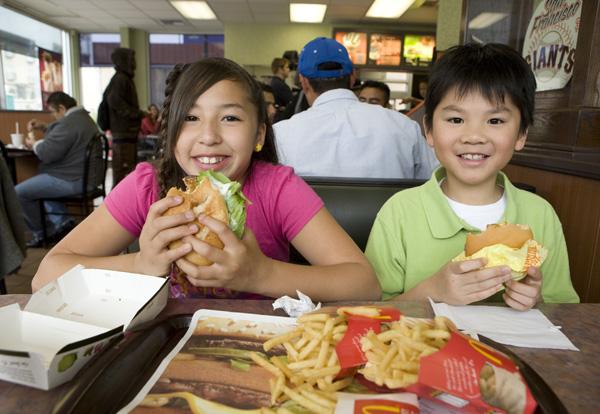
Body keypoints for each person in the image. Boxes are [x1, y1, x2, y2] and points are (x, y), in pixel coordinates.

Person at [33, 58, 380, 302]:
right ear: (170, 134)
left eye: (229, 117)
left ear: (259, 134)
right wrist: (140, 264)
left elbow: (364, 284)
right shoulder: (147, 187)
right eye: (191, 118)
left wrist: (261, 275)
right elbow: (45, 275)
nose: (209, 136)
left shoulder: (278, 188)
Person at [365, 43, 579, 309]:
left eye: (495, 121)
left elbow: (566, 310)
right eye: (456, 120)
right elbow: (372, 310)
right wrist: (434, 290)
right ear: (429, 130)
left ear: (522, 134)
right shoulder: (399, 213)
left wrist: (537, 300)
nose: (474, 137)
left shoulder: (540, 214)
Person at [274, 37, 437, 179]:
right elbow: (435, 181)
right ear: (352, 77)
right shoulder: (403, 126)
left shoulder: (281, 134)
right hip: (389, 215)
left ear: (303, 82)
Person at [17, 92, 98, 247]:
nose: (54, 116)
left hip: (73, 180)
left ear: (61, 108)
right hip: (86, 177)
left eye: (54, 112)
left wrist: (34, 143)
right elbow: (68, 135)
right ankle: (62, 222)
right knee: (40, 185)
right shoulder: (83, 119)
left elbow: (47, 153)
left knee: (19, 193)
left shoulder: (69, 123)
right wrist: (45, 127)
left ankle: (43, 233)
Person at [104, 47, 145, 188]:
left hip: (127, 134)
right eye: (131, 59)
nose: (134, 63)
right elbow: (114, 101)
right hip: (123, 134)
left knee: (127, 172)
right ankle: (117, 207)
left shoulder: (124, 79)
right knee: (123, 173)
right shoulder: (120, 79)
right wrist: (136, 113)